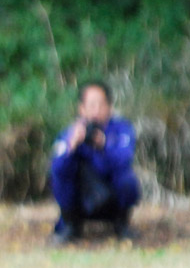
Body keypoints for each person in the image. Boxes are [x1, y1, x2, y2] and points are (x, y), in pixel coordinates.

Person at [50, 80, 140, 243]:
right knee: (62, 172)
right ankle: (70, 225)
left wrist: (105, 145)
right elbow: (56, 167)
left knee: (127, 178)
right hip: (80, 199)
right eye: (91, 105)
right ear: (81, 108)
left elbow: (125, 159)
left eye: (101, 104)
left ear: (109, 107)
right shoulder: (70, 132)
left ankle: (121, 224)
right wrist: (72, 146)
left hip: (111, 196)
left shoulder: (122, 129)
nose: (96, 110)